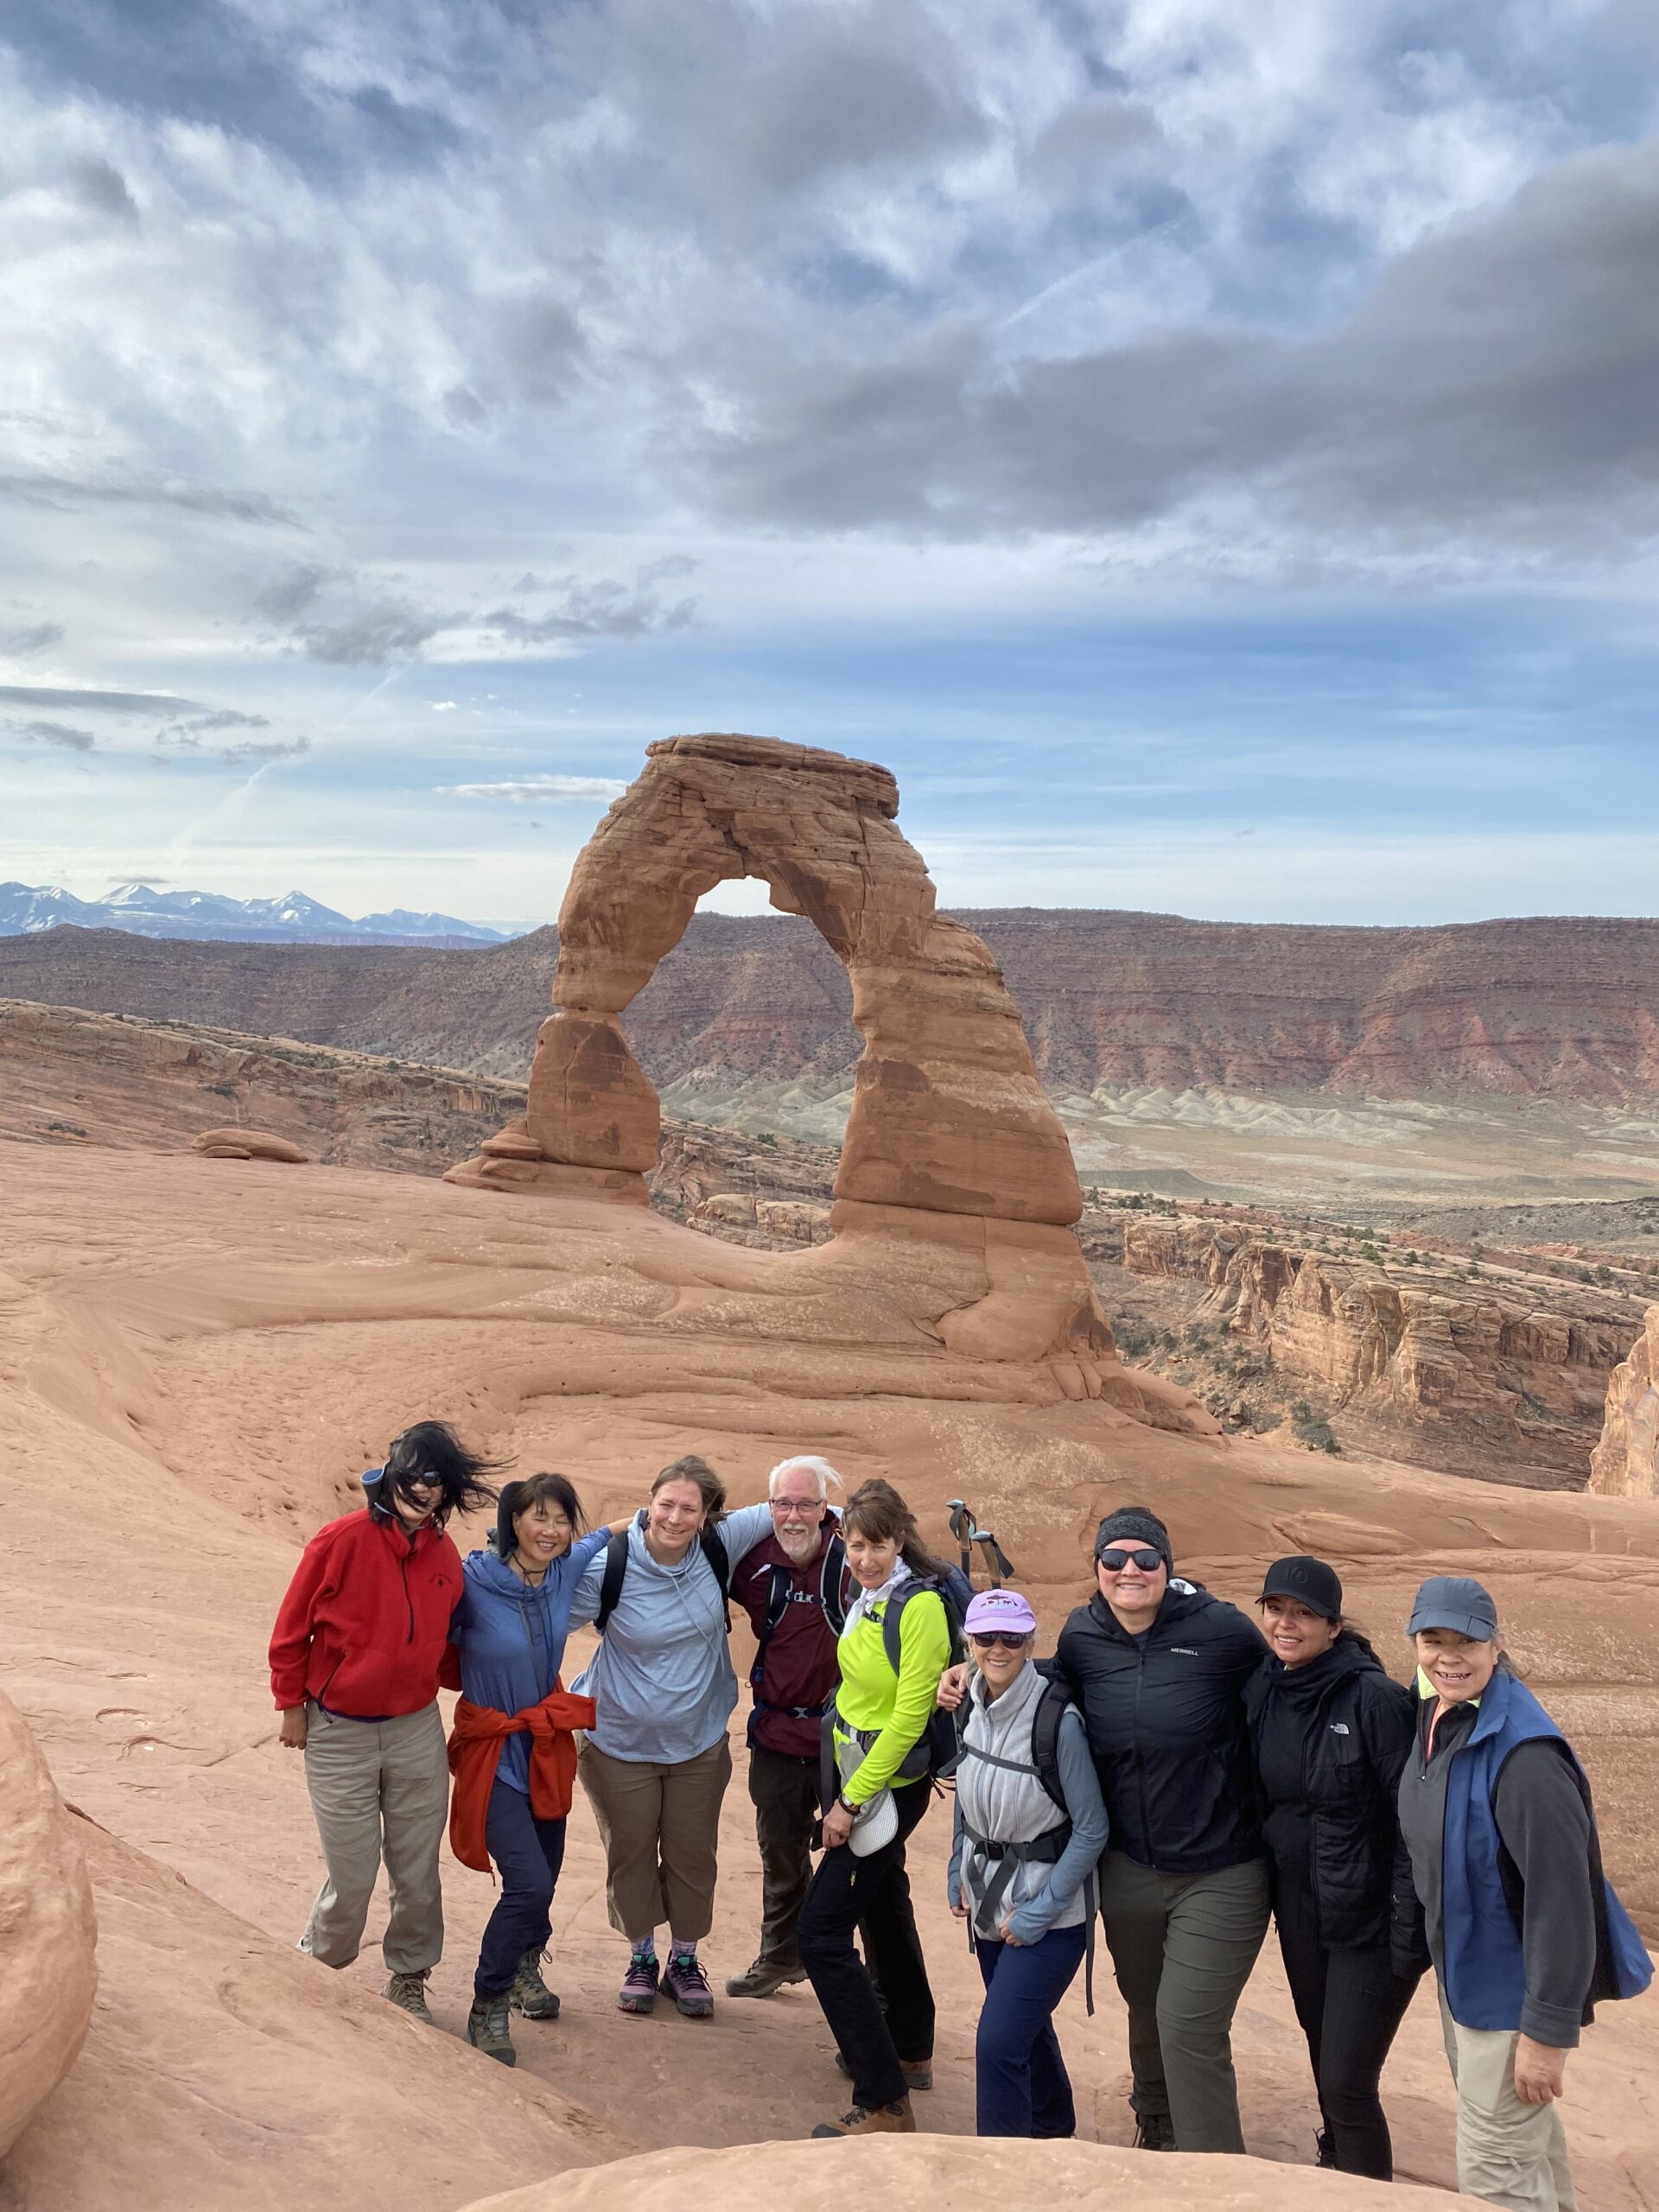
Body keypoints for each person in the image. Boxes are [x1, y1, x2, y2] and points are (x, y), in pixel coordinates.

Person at [1395, 1575, 1652, 2212]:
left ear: (1496, 1643)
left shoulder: (1525, 1758)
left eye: (1466, 1641)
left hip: (1510, 2002)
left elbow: (1563, 1906)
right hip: (1467, 1983)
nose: (1447, 1656)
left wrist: (1546, 2035)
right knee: (1524, 2153)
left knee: (1497, 2176)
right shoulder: (1436, 1709)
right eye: (1433, 1639)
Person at [1029, 1504, 1269, 2152]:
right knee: (1143, 2000)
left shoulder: (1223, 1632)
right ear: (1097, 1568)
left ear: (1169, 1566)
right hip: (1129, 1865)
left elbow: (1289, 1685)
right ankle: (1156, 2123)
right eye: (1113, 1559)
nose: (1128, 1570)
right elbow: (1059, 1684)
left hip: (1220, 1867)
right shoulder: (1084, 1633)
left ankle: (1215, 2174)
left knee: (1188, 2022)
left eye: (1144, 1559)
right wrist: (981, 1673)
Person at [269, 1420, 502, 2022]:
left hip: (414, 1729)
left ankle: (408, 1975)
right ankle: (320, 1966)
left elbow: (451, 1642)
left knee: (416, 1869)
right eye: (413, 1473)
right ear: (391, 1468)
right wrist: (291, 1705)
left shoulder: (444, 1554)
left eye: (436, 1481)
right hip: (338, 1730)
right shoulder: (339, 1540)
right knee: (352, 1872)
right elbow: (292, 1630)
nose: (421, 1489)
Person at [569, 1453, 775, 2020]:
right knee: (630, 1850)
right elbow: (547, 1609)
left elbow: (792, 1504)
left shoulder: (719, 1545)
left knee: (691, 1854)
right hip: (616, 1743)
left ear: (709, 1515)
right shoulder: (610, 1564)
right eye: (665, 1504)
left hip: (698, 1742)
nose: (675, 1517)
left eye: (689, 1507)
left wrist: (863, 1523)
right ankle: (641, 1957)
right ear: (649, 1502)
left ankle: (684, 1961)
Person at [1243, 1555, 1421, 2177]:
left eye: (1304, 1614)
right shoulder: (1266, 1684)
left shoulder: (1372, 1698)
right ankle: (1336, 2167)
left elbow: (1413, 1819)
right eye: (1276, 1609)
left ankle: (1365, 2188)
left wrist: (1406, 1928)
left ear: (1334, 1626)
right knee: (1325, 2058)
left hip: (1368, 1918)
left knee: (1348, 2082)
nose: (1286, 1623)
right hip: (1300, 1908)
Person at [801, 1478, 955, 2140]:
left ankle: (885, 2097)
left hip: (883, 1784)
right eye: (858, 1544)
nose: (867, 1557)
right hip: (859, 1772)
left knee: (822, 1934)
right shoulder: (869, 1596)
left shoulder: (917, 1607)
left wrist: (851, 1803)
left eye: (880, 1545)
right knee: (885, 1906)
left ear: (901, 1541)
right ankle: (910, 2046)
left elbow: (911, 1712)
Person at [444, 1472, 612, 2066]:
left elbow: (612, 1535)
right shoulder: (471, 1581)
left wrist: (667, 1515)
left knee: (548, 1870)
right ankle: (487, 2001)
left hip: (545, 1746)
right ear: (513, 1521)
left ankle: (522, 1970)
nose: (551, 1530)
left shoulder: (566, 1567)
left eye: (562, 1519)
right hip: (494, 1750)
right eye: (539, 1517)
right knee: (529, 1882)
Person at [947, 1586, 1109, 2139]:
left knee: (997, 2042)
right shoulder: (970, 1703)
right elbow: (966, 1793)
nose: (998, 1649)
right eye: (987, 1637)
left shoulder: (1057, 1721)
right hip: (989, 1904)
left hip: (1049, 1916)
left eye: (1011, 1639)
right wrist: (955, 1868)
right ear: (970, 1642)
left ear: (1029, 1642)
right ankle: (1050, 2127)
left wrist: (1042, 1911)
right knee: (1022, 2027)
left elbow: (1092, 1828)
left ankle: (1003, 2168)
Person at [726, 1452, 852, 2000]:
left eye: (806, 1504)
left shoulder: (854, 1559)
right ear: (768, 1507)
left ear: (826, 1509)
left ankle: (850, 1974)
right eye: (783, 1503)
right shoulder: (754, 1561)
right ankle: (780, 1957)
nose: (794, 1515)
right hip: (777, 1734)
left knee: (856, 1867)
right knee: (780, 1854)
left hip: (846, 1743)